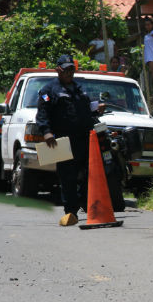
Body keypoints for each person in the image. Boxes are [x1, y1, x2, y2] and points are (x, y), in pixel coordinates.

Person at [36, 55, 105, 226]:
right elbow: (43, 113)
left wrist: (96, 109)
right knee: (68, 177)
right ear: (58, 70)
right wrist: (47, 132)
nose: (69, 73)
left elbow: (84, 109)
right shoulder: (48, 90)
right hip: (64, 140)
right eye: (66, 69)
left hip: (85, 139)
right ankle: (70, 212)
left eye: (71, 69)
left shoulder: (79, 88)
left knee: (90, 174)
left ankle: (87, 205)